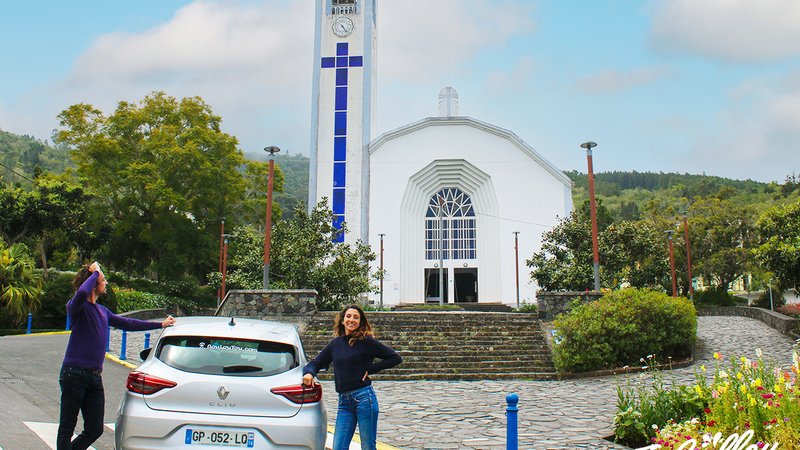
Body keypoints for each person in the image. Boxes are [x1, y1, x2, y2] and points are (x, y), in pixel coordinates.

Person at [57, 261, 176, 450]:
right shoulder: (77, 307)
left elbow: (128, 323)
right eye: (103, 280)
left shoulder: (102, 311)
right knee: (67, 426)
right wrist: (95, 273)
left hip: (94, 377)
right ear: (94, 284)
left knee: (95, 428)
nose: (106, 283)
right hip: (74, 374)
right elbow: (81, 293)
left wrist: (160, 325)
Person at [303, 304, 402, 450]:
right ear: (342, 320)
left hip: (364, 399)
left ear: (360, 322)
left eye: (356, 317)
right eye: (348, 316)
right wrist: (309, 372)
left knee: (368, 446)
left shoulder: (367, 342)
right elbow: (317, 362)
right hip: (344, 403)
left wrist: (370, 369)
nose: (351, 320)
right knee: (339, 447)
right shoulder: (335, 344)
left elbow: (395, 358)